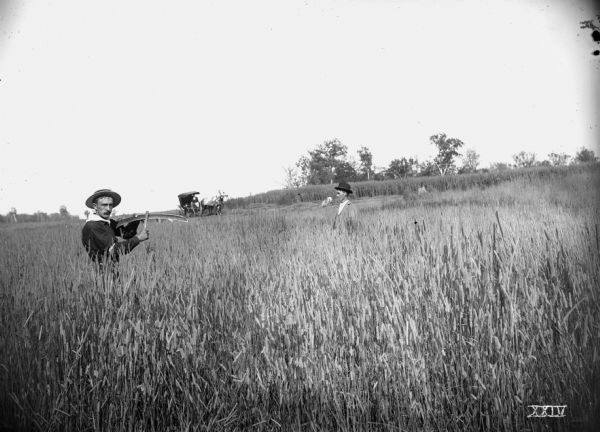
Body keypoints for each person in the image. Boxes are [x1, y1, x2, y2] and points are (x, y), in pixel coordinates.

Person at [81, 189, 149, 269]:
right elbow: (114, 249)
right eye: (104, 205)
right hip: (102, 270)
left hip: (112, 267)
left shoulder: (108, 222)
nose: (108, 209)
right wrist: (138, 238)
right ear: (95, 206)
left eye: (110, 205)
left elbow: (126, 234)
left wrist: (135, 220)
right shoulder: (93, 226)